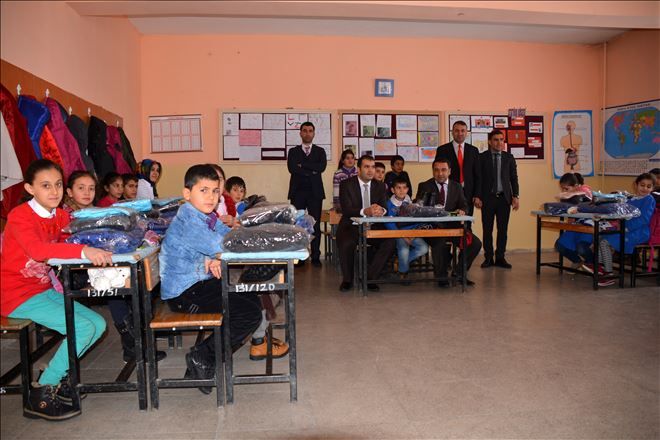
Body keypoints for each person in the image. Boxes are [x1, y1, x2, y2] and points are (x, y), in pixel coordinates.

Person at [1, 159, 112, 421]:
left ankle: (56, 374)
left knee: (97, 324)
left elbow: (71, 239)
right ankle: (41, 392)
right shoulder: (20, 216)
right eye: (46, 185)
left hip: (41, 289)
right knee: (82, 328)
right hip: (15, 294)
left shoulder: (60, 216)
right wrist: (84, 250)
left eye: (59, 185)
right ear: (30, 188)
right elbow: (39, 250)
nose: (54, 191)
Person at [159, 165, 273, 394]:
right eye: (203, 190)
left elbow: (227, 235)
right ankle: (203, 355)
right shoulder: (189, 222)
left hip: (198, 283)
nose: (211, 197)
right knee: (248, 314)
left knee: (251, 300)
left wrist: (216, 255)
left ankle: (203, 358)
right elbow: (224, 246)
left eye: (215, 191)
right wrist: (218, 254)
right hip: (185, 293)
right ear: (187, 193)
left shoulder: (206, 217)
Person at [415, 158, 482, 286]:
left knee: (475, 244)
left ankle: (459, 273)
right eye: (436, 170)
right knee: (440, 243)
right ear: (433, 171)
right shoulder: (424, 185)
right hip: (433, 227)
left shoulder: (456, 186)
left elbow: (464, 205)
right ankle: (441, 277)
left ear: (449, 171)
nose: (440, 173)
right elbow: (419, 207)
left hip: (453, 227)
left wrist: (462, 211)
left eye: (443, 170)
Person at [336, 155, 396, 292]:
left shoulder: (379, 186)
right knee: (346, 243)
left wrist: (381, 210)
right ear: (359, 169)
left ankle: (370, 278)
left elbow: (384, 207)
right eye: (366, 167)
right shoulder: (346, 184)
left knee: (390, 241)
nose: (370, 170)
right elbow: (346, 209)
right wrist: (365, 211)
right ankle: (347, 280)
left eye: (373, 167)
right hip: (351, 224)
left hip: (373, 225)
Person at [596, 173, 656, 287]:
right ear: (636, 185)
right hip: (626, 229)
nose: (645, 188)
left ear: (652, 188)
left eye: (649, 186)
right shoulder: (631, 199)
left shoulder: (649, 199)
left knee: (604, 242)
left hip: (639, 232)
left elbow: (644, 219)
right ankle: (600, 268)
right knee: (601, 238)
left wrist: (627, 227)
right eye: (642, 185)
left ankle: (609, 274)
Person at [474, 130, 519, 269]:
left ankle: (500, 257)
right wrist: (477, 196)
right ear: (489, 141)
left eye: (501, 139)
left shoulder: (509, 157)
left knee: (502, 230)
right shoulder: (482, 157)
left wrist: (516, 196)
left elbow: (513, 178)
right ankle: (488, 258)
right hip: (488, 199)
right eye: (496, 139)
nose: (499, 142)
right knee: (487, 230)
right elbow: (478, 179)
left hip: (504, 199)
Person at [286, 122, 327, 267]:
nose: (307, 133)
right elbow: (292, 168)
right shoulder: (293, 151)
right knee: (298, 225)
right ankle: (300, 257)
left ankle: (315, 256)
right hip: (298, 192)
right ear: (300, 133)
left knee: (315, 225)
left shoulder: (320, 151)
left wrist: (302, 165)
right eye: (305, 131)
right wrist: (311, 170)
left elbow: (321, 167)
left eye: (310, 131)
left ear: (313, 133)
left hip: (315, 192)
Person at [385, 177, 429, 284]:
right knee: (404, 249)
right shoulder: (389, 204)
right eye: (398, 188)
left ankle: (400, 263)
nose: (401, 190)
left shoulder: (412, 204)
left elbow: (417, 220)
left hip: (412, 233)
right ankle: (403, 273)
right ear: (393, 190)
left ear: (407, 189)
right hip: (398, 233)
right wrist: (403, 236)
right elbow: (389, 223)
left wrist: (413, 234)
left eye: (404, 188)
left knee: (424, 248)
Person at [434, 120, 481, 216]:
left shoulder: (473, 150)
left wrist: (477, 195)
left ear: (466, 133)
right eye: (457, 131)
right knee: (449, 219)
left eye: (462, 131)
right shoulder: (442, 150)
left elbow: (478, 174)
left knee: (466, 221)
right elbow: (439, 172)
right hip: (449, 192)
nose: (460, 133)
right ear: (452, 132)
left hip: (468, 193)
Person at [553, 173, 595, 270]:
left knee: (582, 248)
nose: (564, 191)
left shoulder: (585, 190)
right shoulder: (570, 197)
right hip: (575, 227)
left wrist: (568, 195)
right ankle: (577, 261)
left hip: (588, 226)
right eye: (562, 189)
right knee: (560, 245)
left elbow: (584, 196)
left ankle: (593, 265)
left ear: (576, 186)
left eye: (566, 189)